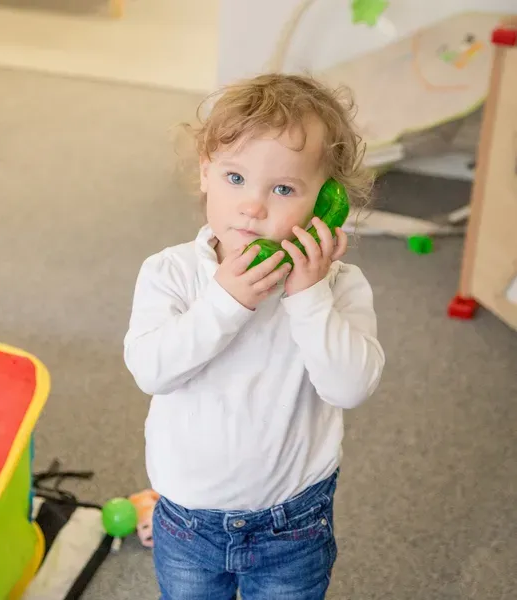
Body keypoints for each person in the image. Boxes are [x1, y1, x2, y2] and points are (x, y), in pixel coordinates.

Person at [123, 73, 385, 599]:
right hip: (188, 519)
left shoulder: (339, 287)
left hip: (293, 521)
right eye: (235, 178)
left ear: (326, 202)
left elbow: (350, 387)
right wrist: (226, 301)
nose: (253, 206)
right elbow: (152, 369)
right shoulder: (170, 273)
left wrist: (308, 296)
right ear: (205, 172)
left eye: (283, 189)